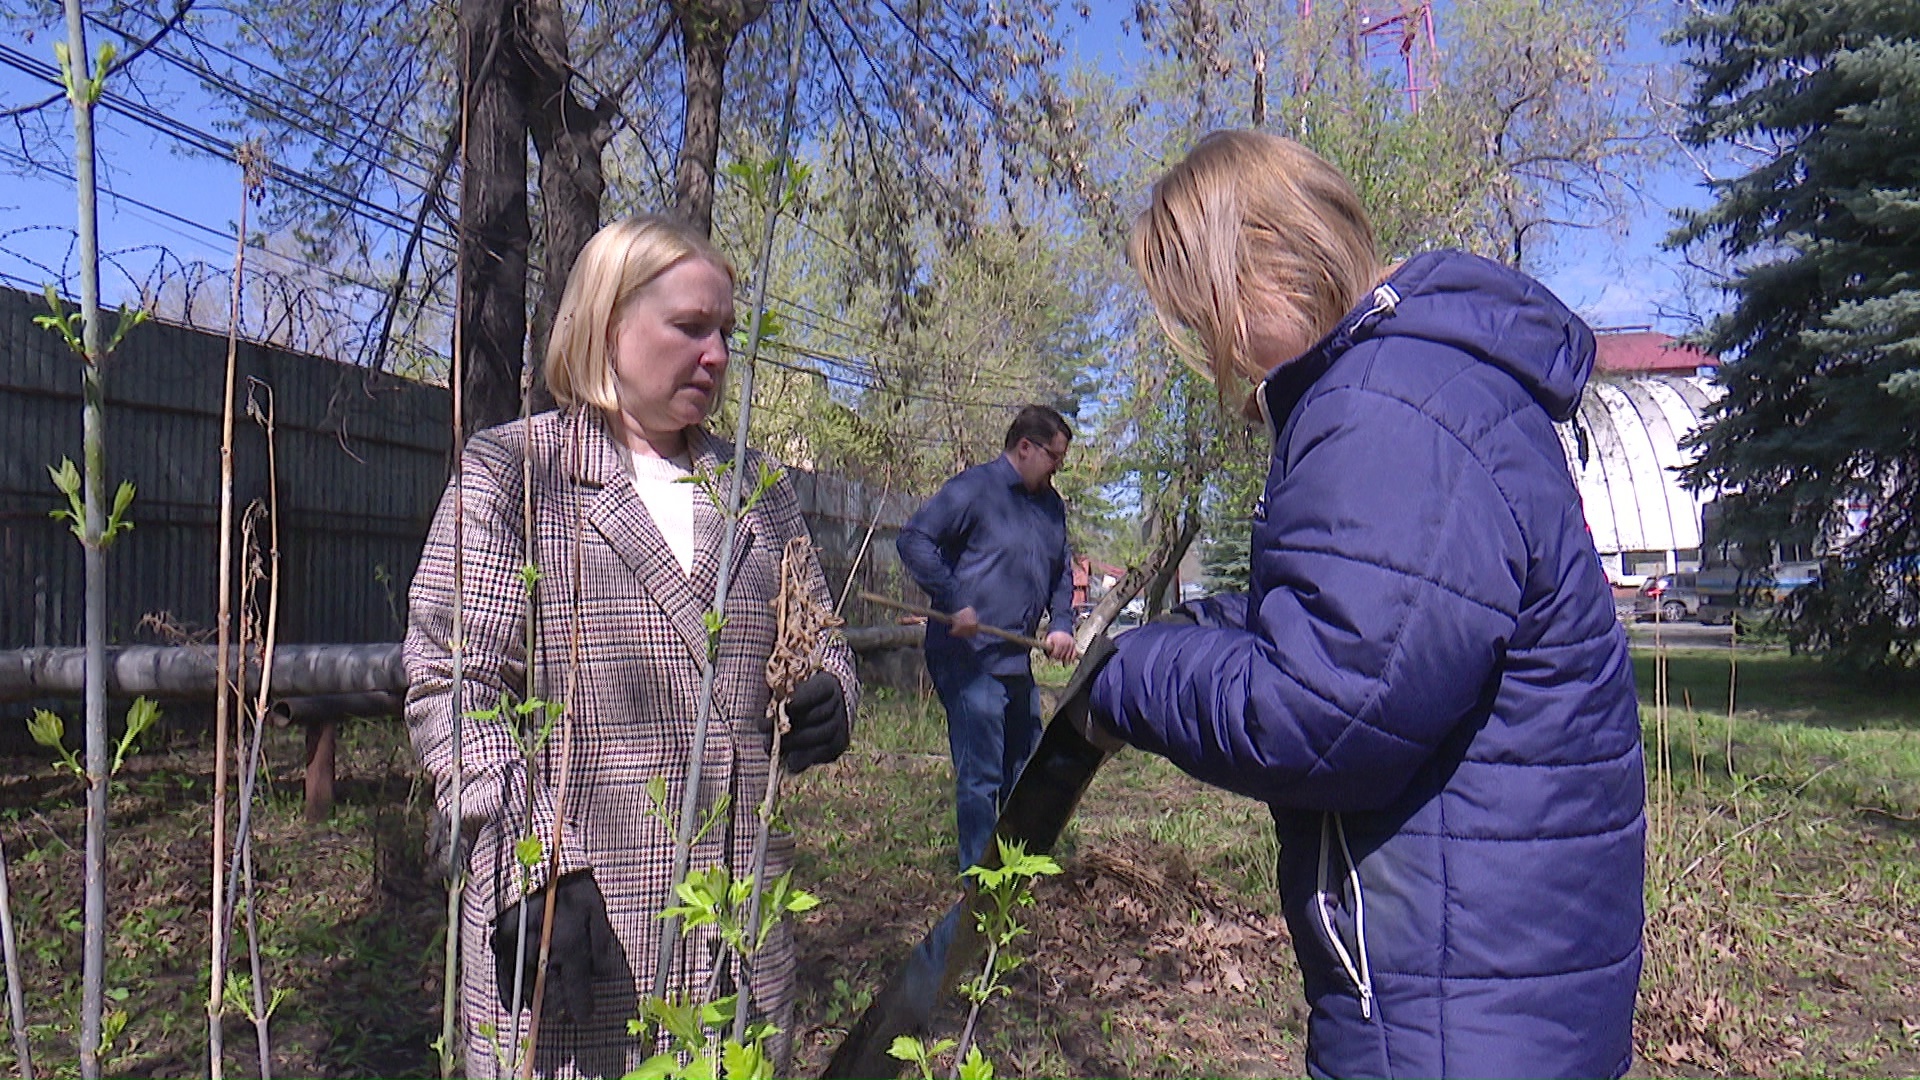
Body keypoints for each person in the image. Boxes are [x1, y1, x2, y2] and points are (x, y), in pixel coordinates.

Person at [1085, 130, 1645, 1078]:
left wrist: (1127, 674)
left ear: (1265, 266)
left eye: (1206, 310)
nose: (1221, 352)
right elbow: (1376, 625)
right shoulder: (1430, 384)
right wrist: (1209, 628)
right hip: (1498, 982)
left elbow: (1325, 713)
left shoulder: (1388, 407)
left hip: (1458, 1017)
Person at [406, 215, 857, 1078]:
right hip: (577, 937)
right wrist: (534, 865)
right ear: (608, 325)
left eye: (725, 332)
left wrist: (835, 692)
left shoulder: (757, 490)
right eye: (689, 326)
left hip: (732, 944)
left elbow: (819, 640)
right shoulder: (517, 473)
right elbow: (452, 685)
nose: (716, 355)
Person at [897, 405, 1079, 874]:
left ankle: (1015, 868)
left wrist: (1061, 623)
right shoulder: (974, 489)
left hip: (1016, 659)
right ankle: (979, 880)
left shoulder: (1051, 507)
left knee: (1025, 768)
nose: (1057, 468)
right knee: (982, 773)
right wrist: (955, 599)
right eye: (1054, 458)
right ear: (1026, 447)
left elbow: (1061, 570)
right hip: (968, 658)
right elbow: (914, 539)